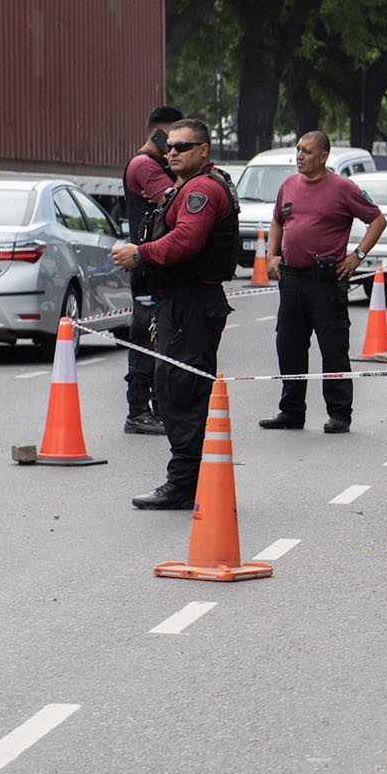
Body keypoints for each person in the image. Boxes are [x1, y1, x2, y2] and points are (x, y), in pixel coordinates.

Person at [112, 119, 239, 509]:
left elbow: (186, 240)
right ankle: (195, 480)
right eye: (169, 147)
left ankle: (184, 484)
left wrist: (140, 253)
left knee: (180, 394)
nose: (172, 153)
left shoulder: (201, 188)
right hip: (182, 302)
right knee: (177, 389)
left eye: (182, 147)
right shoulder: (194, 185)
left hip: (190, 304)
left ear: (203, 151)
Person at [260, 131, 386, 433]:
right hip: (291, 278)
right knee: (288, 345)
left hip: (325, 280)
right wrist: (271, 255)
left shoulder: (343, 189)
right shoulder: (288, 185)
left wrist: (357, 255)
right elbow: (278, 220)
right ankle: (291, 411)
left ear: (323, 156)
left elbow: (377, 220)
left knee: (333, 348)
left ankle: (339, 413)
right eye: (298, 150)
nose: (299, 156)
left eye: (306, 151)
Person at [120, 105, 181, 436]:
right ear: (160, 133)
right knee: (144, 335)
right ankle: (138, 409)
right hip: (145, 265)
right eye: (175, 139)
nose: (177, 148)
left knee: (162, 336)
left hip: (156, 263)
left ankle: (157, 405)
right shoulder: (145, 165)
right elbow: (176, 200)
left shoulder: (158, 164)